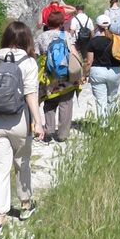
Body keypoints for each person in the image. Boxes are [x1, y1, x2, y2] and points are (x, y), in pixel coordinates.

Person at [0, 21, 44, 238]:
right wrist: (38, 123)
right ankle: (25, 205)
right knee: (22, 163)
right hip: (19, 121)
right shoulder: (28, 62)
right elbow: (31, 95)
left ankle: (0, 218)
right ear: (27, 39)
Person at [35, 10, 80, 144]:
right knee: (66, 103)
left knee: (49, 102)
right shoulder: (66, 35)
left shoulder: (41, 37)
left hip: (48, 76)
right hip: (65, 75)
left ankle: (49, 130)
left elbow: (37, 55)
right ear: (61, 23)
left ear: (47, 23)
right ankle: (62, 134)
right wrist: (79, 71)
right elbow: (73, 53)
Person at [84, 13, 120, 122]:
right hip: (114, 71)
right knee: (112, 99)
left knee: (101, 100)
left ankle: (103, 126)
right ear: (110, 25)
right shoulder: (116, 39)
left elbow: (89, 61)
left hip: (98, 71)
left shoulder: (93, 42)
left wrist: (84, 74)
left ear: (97, 26)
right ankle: (112, 124)